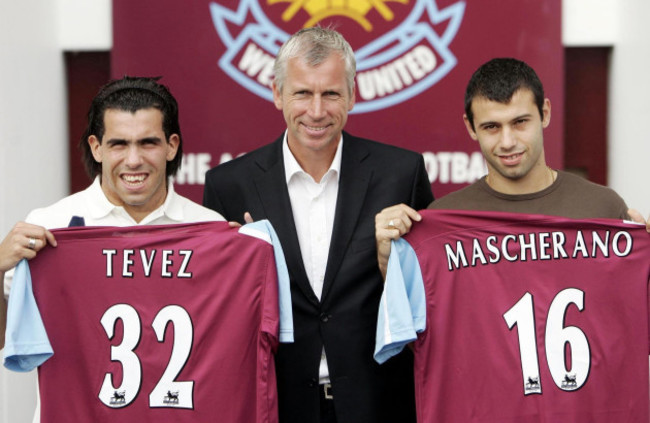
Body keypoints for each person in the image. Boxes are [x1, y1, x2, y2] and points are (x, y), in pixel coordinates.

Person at [203, 27, 433, 423]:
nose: (316, 110)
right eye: (302, 93)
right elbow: (216, 309)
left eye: (330, 93)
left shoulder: (401, 174)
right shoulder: (229, 185)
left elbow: (430, 293)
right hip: (277, 405)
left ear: (352, 95)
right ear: (277, 94)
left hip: (379, 405)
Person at [1, 76, 223, 355]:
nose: (133, 160)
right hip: (71, 401)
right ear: (97, 147)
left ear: (172, 146)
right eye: (119, 144)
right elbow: (5, 339)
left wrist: (243, 252)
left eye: (148, 143)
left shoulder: (212, 230)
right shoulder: (49, 225)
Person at [376, 57, 649, 276]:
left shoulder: (603, 208)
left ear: (544, 113)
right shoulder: (442, 220)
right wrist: (389, 262)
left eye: (520, 122)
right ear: (471, 127)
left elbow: (630, 312)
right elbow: (419, 331)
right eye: (492, 127)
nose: (507, 142)